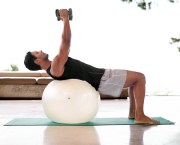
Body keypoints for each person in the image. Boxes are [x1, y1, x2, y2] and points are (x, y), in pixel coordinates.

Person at [24, 9, 159, 125]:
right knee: (140, 78)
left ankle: (133, 114)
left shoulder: (54, 68)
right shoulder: (55, 66)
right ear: (37, 61)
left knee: (134, 81)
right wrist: (65, 19)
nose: (40, 50)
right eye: (37, 52)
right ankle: (140, 116)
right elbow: (66, 42)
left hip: (101, 76)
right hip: (103, 78)